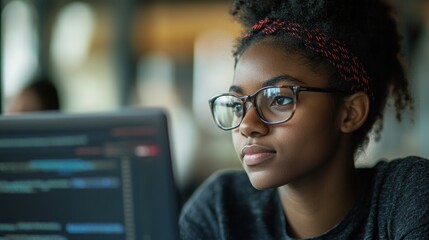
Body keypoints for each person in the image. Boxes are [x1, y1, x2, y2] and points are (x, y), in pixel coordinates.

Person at [179, 0, 429, 239]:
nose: (247, 125)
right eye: (237, 105)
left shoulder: (404, 199)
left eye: (279, 100)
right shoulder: (220, 211)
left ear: (350, 113)